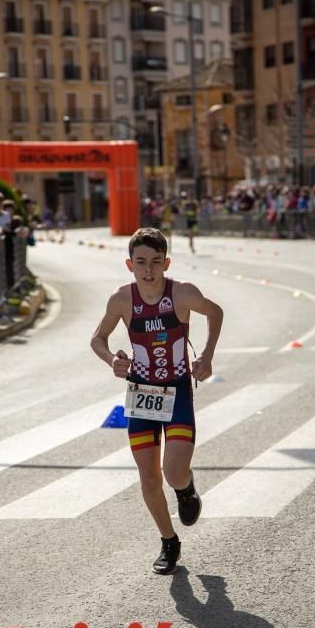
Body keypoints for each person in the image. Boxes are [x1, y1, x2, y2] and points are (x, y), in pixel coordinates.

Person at [90, 227, 223, 575]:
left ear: (167, 262)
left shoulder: (182, 293)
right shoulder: (121, 299)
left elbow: (215, 312)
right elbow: (98, 339)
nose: (148, 270)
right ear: (129, 264)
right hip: (140, 395)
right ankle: (168, 541)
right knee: (149, 478)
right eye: (140, 263)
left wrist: (206, 356)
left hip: (177, 390)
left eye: (155, 262)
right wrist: (112, 361)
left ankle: (185, 487)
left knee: (173, 471)